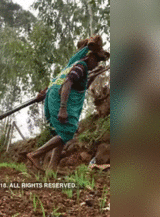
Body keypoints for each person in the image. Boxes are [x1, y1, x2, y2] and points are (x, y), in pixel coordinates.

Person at [27, 35, 110, 172]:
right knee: (68, 131)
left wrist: (94, 76)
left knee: (61, 134)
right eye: (97, 60)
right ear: (90, 57)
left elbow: (80, 87)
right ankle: (35, 155)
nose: (97, 64)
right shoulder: (81, 66)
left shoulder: (74, 66)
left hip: (52, 96)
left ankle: (52, 169)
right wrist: (63, 108)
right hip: (59, 98)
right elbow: (68, 83)